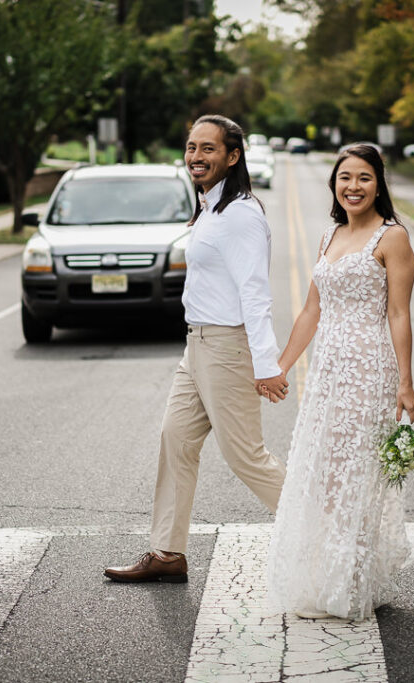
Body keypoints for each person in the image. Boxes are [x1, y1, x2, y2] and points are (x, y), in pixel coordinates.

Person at [104, 115, 289, 583]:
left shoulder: (241, 214)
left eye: (208, 149)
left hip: (228, 346)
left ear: (233, 156)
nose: (196, 157)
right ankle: (168, 553)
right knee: (176, 439)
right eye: (191, 148)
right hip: (198, 344)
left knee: (246, 457)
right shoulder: (211, 208)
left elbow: (255, 293)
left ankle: (327, 530)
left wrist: (266, 365)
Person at [267, 144, 414, 621]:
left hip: (368, 370)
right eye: (344, 178)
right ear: (334, 184)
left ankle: (349, 584)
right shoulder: (329, 236)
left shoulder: (392, 237)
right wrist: (282, 365)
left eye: (363, 178)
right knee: (326, 478)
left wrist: (406, 381)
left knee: (355, 475)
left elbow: (399, 313)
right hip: (327, 374)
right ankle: (326, 575)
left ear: (379, 184)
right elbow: (312, 311)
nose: (353, 186)